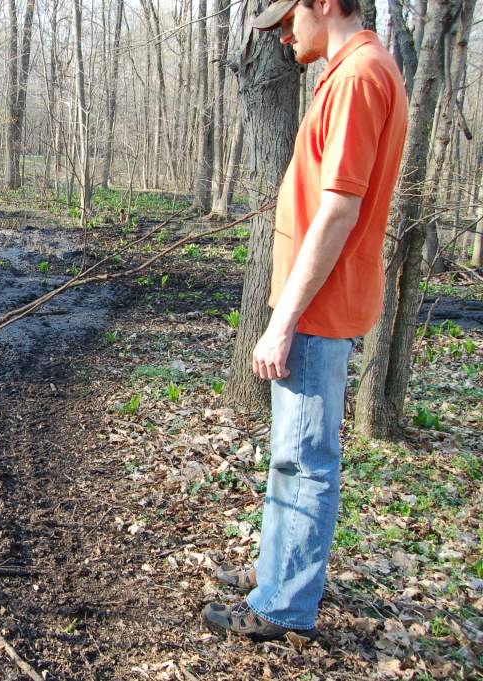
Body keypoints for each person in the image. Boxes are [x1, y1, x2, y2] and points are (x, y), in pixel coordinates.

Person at [202, 0, 408, 641]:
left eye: (289, 19)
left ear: (323, 3)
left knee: (305, 461)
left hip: (319, 305)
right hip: (319, 302)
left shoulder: (356, 78)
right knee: (290, 455)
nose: (284, 34)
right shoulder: (356, 70)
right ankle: (277, 572)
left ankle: (284, 605)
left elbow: (340, 210)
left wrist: (284, 318)